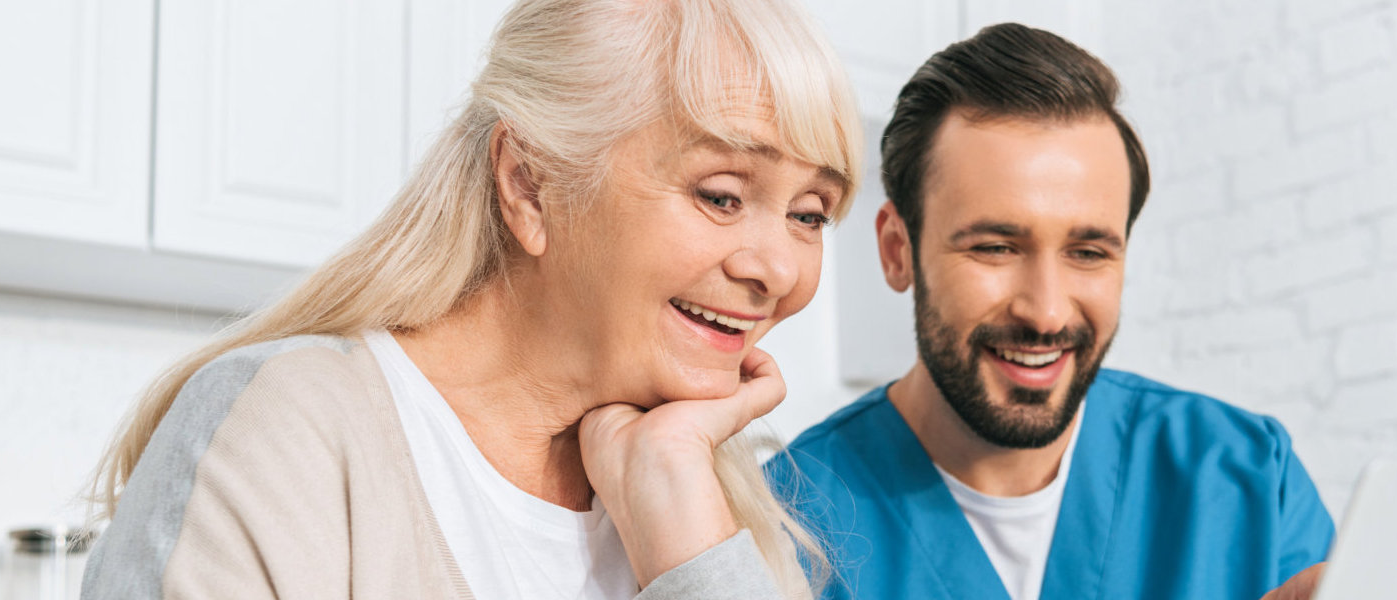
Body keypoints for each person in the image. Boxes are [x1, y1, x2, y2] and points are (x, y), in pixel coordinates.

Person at [81, 0, 861, 597]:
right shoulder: (294, 432)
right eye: (721, 196)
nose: (779, 271)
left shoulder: (715, 495)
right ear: (530, 184)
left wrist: (690, 541)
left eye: (809, 215)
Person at [765, 23, 1333, 600]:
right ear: (896, 250)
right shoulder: (783, 525)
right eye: (994, 247)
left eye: (1088, 253)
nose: (1047, 313)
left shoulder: (1249, 478)